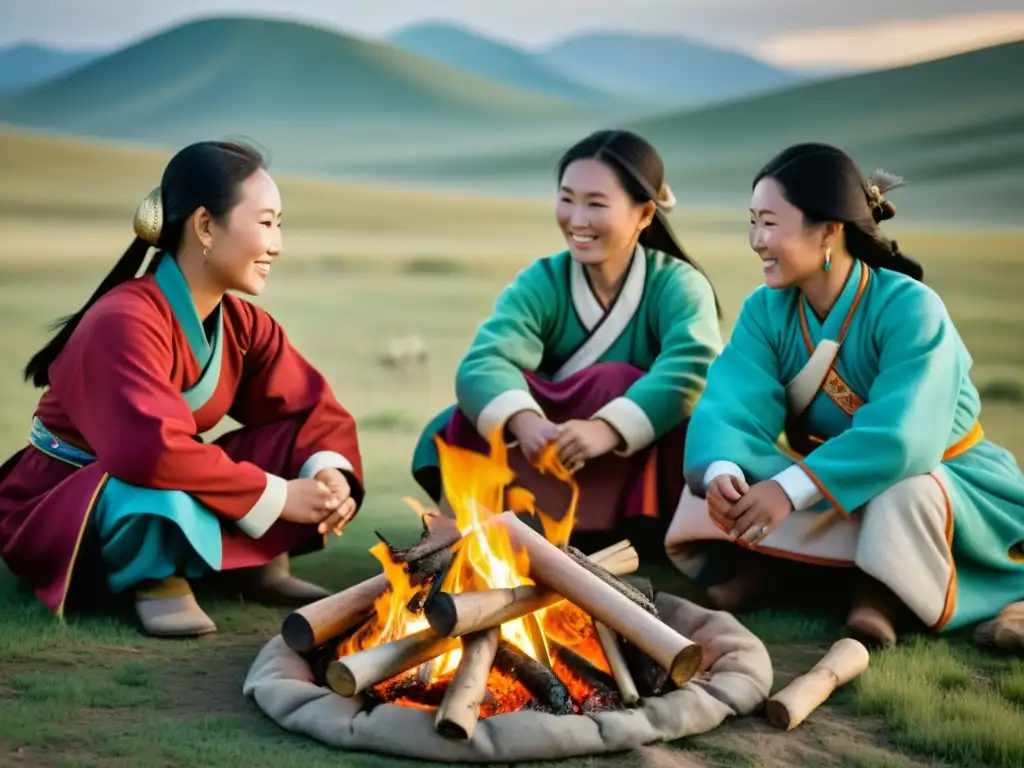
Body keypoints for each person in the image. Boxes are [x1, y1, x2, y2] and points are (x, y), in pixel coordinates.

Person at [0, 141, 364, 637]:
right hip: (74, 500)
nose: (277, 245)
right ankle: (155, 579)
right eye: (264, 223)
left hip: (160, 469)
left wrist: (329, 475)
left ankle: (252, 563)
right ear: (206, 227)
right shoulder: (122, 320)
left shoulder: (244, 324)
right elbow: (149, 450)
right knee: (152, 480)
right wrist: (278, 496)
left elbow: (312, 409)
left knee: (294, 440)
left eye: (279, 225)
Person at [668, 142, 1024, 648]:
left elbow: (904, 440)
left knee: (905, 491)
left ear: (830, 230)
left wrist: (791, 489)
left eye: (770, 223)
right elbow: (730, 405)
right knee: (719, 476)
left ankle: (876, 592)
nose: (757, 240)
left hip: (945, 478)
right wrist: (726, 472)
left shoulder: (911, 308)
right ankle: (782, 572)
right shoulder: (765, 311)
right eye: (752, 221)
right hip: (827, 474)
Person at [412, 130, 723, 556]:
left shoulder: (678, 285)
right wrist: (526, 422)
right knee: (477, 408)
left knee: (618, 381)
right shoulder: (542, 281)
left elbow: (693, 366)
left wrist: (607, 428)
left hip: (634, 461)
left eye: (596, 203)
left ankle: (620, 532)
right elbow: (486, 360)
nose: (577, 219)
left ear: (645, 213)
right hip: (547, 451)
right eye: (567, 198)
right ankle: (491, 530)